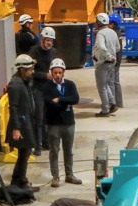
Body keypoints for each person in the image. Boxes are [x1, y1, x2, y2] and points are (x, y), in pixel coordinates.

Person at [42, 58, 82, 187]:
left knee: (68, 150)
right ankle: (55, 176)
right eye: (55, 73)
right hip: (54, 124)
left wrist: (59, 99)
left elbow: (75, 99)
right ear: (51, 73)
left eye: (60, 72)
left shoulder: (70, 85)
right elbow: (48, 103)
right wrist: (65, 103)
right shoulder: (47, 86)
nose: (58, 75)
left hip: (68, 123)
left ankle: (69, 175)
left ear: (63, 72)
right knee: (54, 150)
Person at [6, 55, 40, 193]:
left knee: (25, 153)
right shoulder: (15, 84)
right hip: (21, 125)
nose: (32, 71)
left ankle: (17, 181)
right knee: (24, 153)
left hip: (26, 123)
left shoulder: (24, 82)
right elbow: (13, 107)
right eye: (29, 69)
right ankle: (21, 182)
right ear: (21, 70)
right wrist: (16, 128)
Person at [29, 26, 58, 148]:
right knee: (39, 117)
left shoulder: (53, 52)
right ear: (42, 39)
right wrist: (45, 75)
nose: (49, 42)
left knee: (49, 116)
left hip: (50, 89)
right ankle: (37, 144)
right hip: (38, 88)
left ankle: (46, 142)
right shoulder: (33, 52)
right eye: (47, 40)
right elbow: (31, 72)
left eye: (51, 40)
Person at [91, 11, 120, 116]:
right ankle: (112, 103)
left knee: (101, 86)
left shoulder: (101, 33)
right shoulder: (113, 32)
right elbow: (118, 48)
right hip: (112, 63)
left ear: (99, 22)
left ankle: (105, 109)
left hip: (104, 63)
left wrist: (108, 56)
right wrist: (112, 56)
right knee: (107, 83)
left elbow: (102, 47)